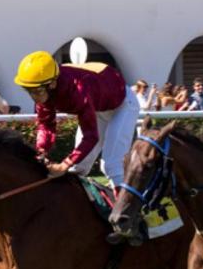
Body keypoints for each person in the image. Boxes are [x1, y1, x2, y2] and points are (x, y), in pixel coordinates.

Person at [13, 50, 137, 190]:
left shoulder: (77, 92)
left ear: (52, 84)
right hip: (97, 107)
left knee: (111, 165)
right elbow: (46, 125)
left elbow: (91, 137)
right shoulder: (46, 87)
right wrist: (41, 152)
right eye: (29, 90)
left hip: (123, 106)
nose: (34, 97)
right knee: (79, 166)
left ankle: (125, 210)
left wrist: (64, 164)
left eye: (38, 91)